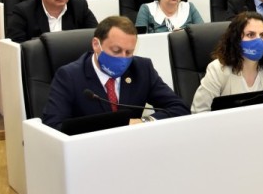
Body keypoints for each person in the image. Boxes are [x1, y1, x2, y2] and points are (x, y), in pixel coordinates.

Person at [41, 16, 189, 129]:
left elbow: (179, 108)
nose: (123, 58)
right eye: (116, 50)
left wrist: (144, 121)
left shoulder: (142, 69)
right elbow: (53, 127)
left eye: (129, 52)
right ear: (96, 45)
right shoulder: (69, 76)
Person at [190, 12, 263, 113]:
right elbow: (199, 111)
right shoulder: (218, 69)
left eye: (262, 35)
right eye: (250, 35)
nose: (258, 41)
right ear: (236, 39)